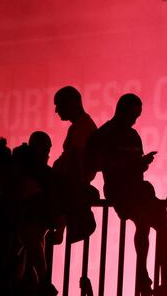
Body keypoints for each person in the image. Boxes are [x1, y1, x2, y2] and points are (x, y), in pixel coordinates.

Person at [86, 94, 167, 296]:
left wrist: (141, 164)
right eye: (134, 114)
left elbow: (135, 169)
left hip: (139, 188)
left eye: (138, 115)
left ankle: (165, 281)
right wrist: (130, 164)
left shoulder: (133, 136)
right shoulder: (105, 134)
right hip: (119, 190)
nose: (135, 120)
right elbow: (95, 165)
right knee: (143, 222)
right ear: (122, 111)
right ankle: (143, 276)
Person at [51, 86, 99, 243]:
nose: (57, 110)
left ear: (71, 103)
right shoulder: (79, 126)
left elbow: (78, 159)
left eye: (59, 104)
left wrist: (80, 185)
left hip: (70, 184)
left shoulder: (83, 127)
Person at [13, 131, 59, 296]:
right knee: (33, 247)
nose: (47, 154)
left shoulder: (44, 173)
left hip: (33, 222)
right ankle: (43, 282)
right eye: (44, 150)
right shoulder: (26, 170)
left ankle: (42, 282)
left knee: (31, 250)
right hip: (28, 222)